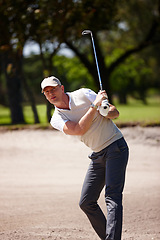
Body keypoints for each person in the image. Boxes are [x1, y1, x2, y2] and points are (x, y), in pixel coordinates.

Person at [41, 76, 129, 240]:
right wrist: (94, 106)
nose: (50, 93)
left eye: (53, 89)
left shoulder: (83, 94)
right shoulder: (56, 119)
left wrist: (105, 109)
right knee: (86, 202)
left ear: (61, 88)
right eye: (46, 92)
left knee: (112, 196)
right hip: (97, 154)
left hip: (115, 146)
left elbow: (114, 112)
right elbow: (79, 129)